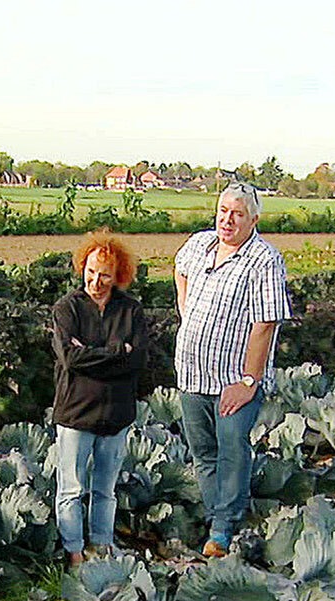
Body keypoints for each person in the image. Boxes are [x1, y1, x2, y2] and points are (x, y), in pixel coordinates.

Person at [174, 182, 291, 557]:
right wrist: (186, 308)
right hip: (191, 375)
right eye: (224, 211)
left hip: (232, 381)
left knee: (232, 451)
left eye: (238, 214)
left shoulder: (263, 259)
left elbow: (266, 324)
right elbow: (179, 269)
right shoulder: (198, 244)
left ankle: (223, 529)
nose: (228, 219)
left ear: (253, 219)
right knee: (203, 452)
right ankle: (217, 517)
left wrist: (247, 381)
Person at [50, 231, 151, 564]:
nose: (96, 280)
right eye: (91, 271)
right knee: (71, 488)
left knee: (105, 490)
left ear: (118, 276)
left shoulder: (131, 311)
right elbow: (69, 358)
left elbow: (137, 361)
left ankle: (102, 546)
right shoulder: (67, 308)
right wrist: (115, 353)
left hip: (116, 415)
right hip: (76, 414)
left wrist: (93, 355)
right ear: (82, 267)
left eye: (105, 274)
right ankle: (75, 552)